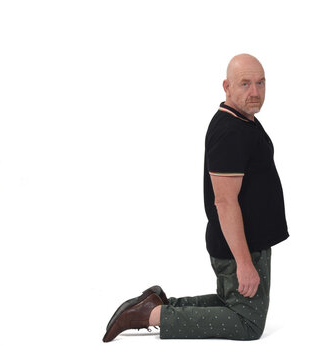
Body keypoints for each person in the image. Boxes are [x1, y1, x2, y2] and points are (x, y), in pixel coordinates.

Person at [103, 54, 289, 342]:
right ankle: (152, 315)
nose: (255, 92)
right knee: (247, 323)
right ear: (227, 86)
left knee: (234, 306)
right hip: (241, 247)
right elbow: (225, 202)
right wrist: (243, 262)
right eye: (245, 84)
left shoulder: (244, 121)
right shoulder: (230, 131)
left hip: (249, 244)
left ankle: (159, 304)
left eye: (260, 83)